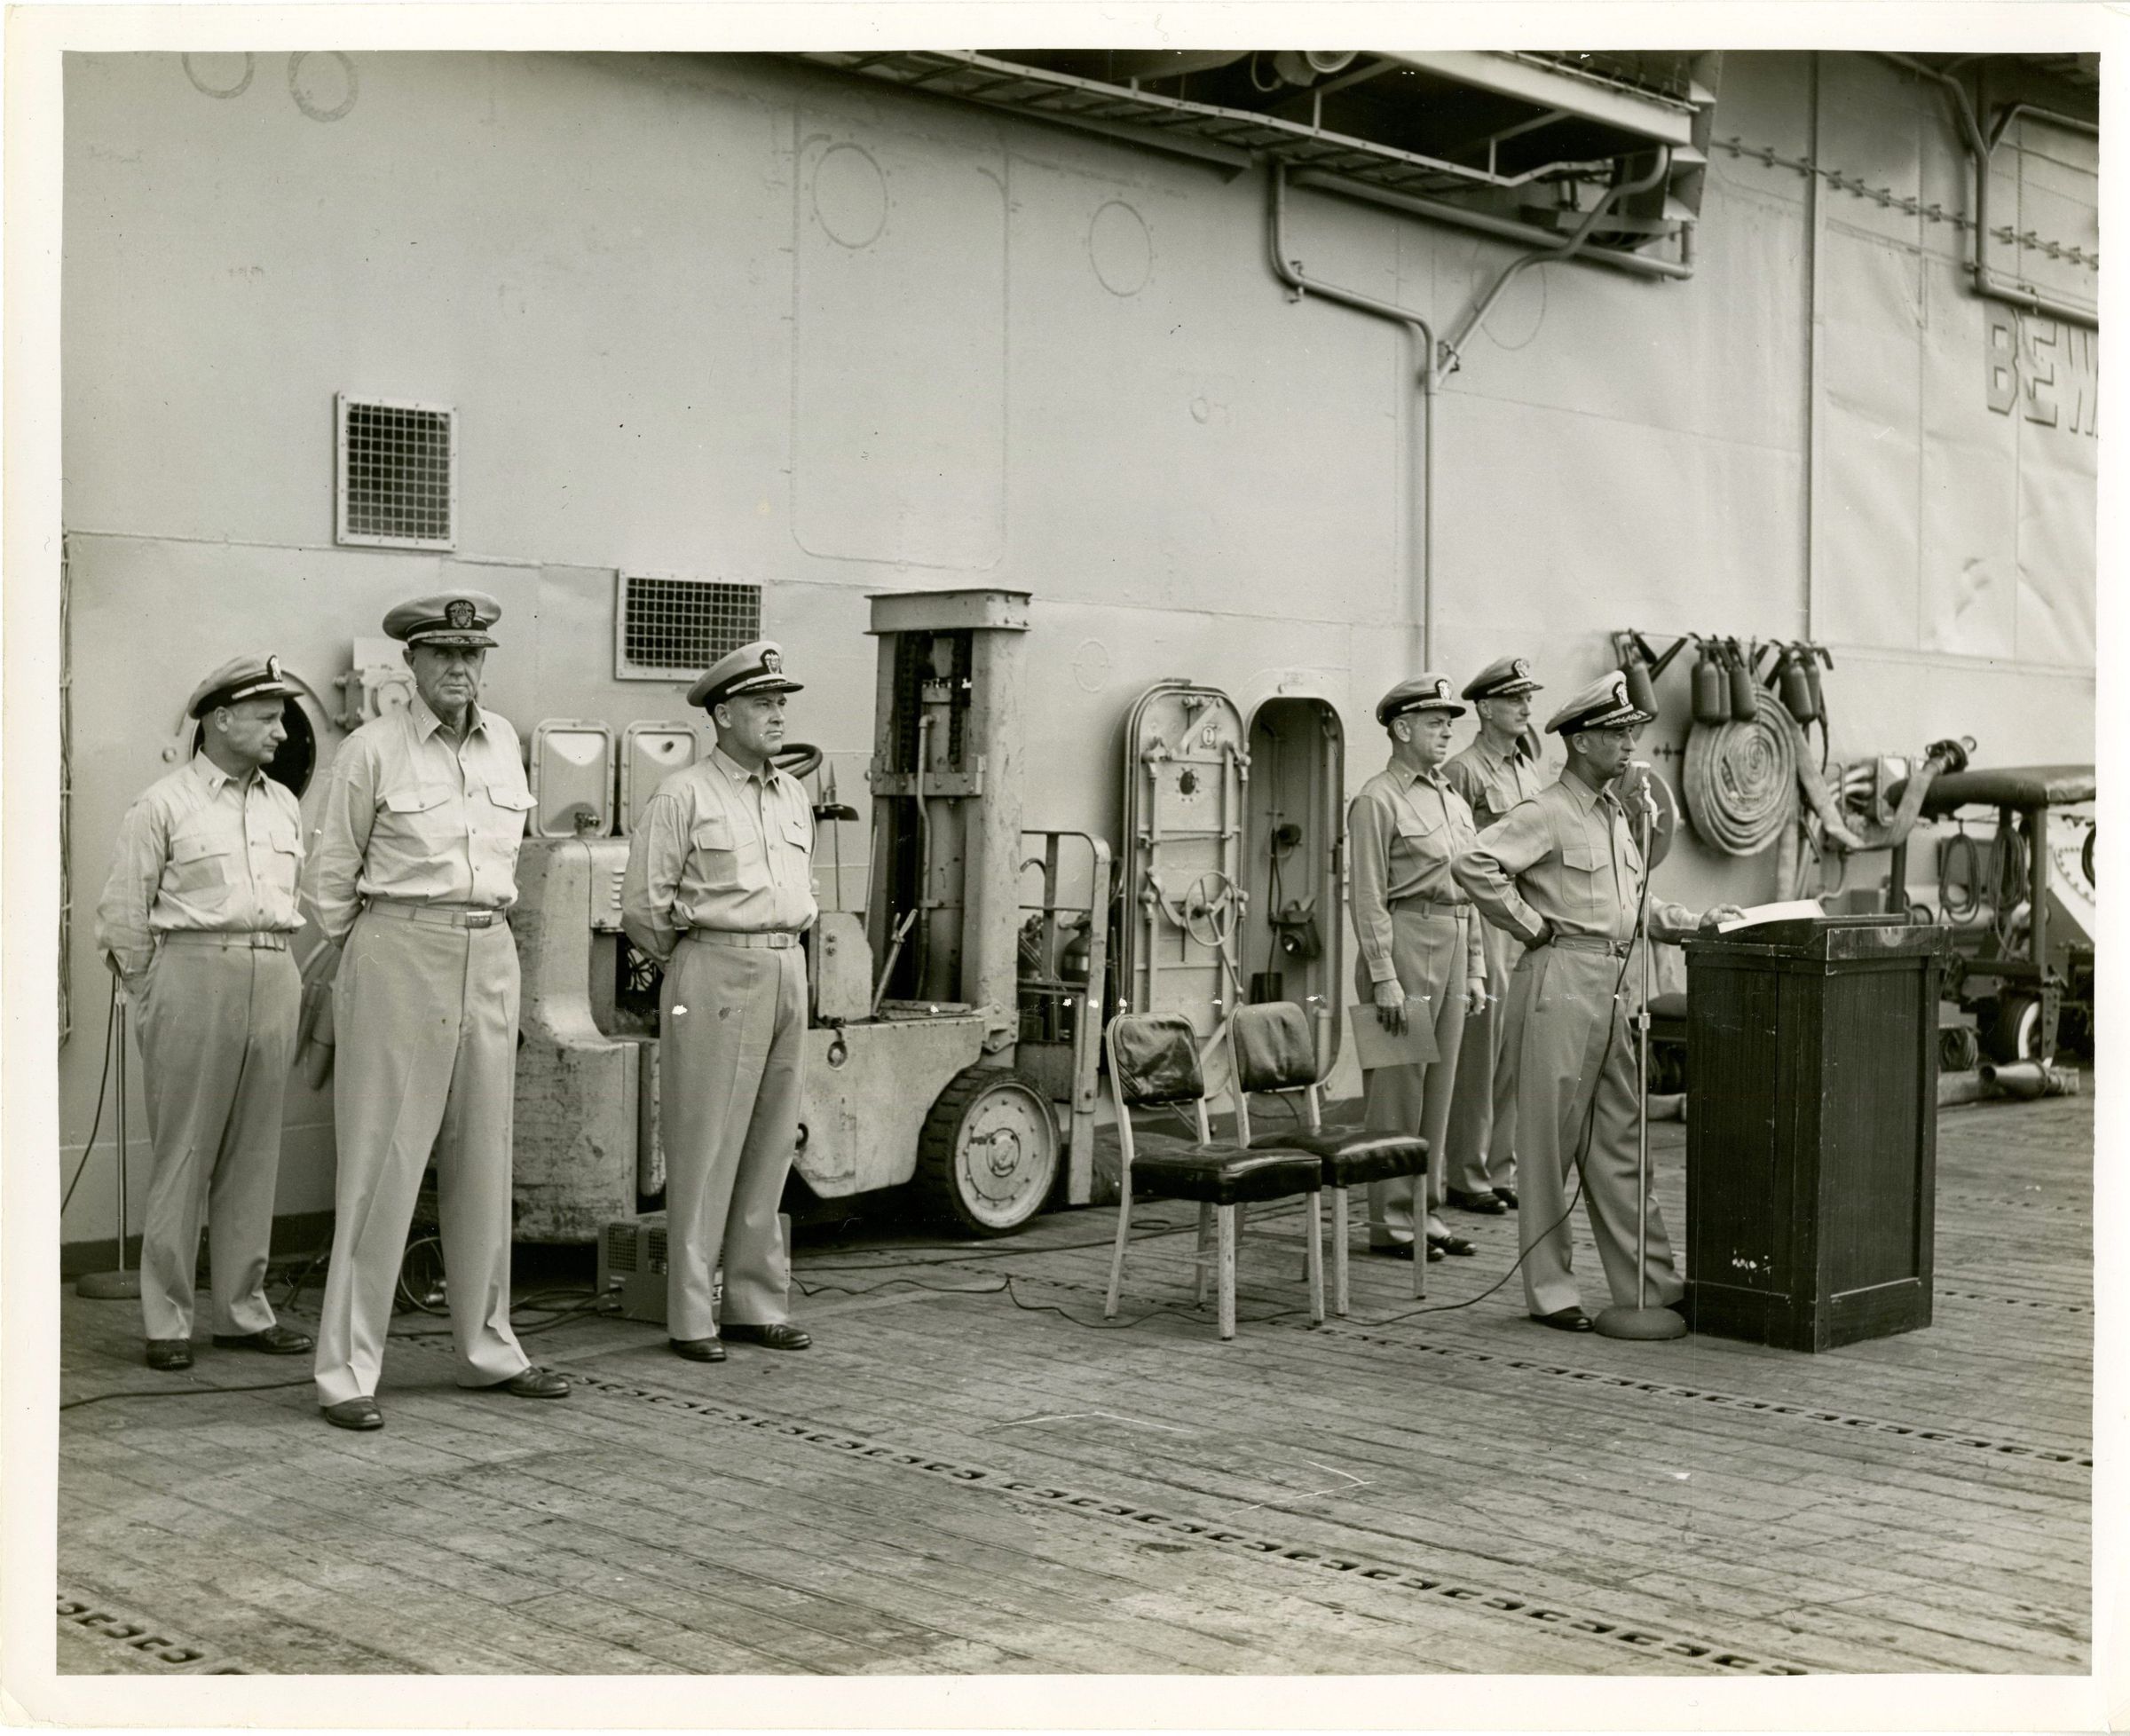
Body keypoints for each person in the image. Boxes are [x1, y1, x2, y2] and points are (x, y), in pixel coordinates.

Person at [302, 592, 568, 1430]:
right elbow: (328, 882)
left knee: (484, 1163)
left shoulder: (505, 750)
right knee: (380, 1165)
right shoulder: (371, 751)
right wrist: (374, 955)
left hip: (489, 950)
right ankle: (347, 1371)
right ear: (410, 665)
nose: (460, 668)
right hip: (399, 948)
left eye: (473, 655)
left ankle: (489, 1349)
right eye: (443, 654)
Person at [1454, 671, 1744, 1333]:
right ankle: (1551, 1292)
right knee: (1548, 1147)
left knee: (1621, 1144)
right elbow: (1474, 863)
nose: (1629, 745)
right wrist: (1530, 927)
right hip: (1560, 980)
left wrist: (1696, 920)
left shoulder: (1618, 816)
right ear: (1582, 742)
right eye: (1616, 735)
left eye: (1631, 733)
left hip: (1614, 987)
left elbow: (1631, 907)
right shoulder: (1547, 811)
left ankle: (1652, 1285)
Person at [93, 656, 316, 1373]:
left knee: (255, 1152)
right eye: (267, 716)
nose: (281, 731)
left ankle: (243, 1313)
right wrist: (154, 988)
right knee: (185, 1150)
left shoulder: (283, 804)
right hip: (193, 973)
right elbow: (124, 915)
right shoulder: (164, 804)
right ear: (221, 719)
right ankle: (168, 1320)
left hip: (272, 967)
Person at [622, 641, 816, 1363]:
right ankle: (692, 1317)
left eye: (781, 702)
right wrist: (698, 965)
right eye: (763, 703)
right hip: (713, 969)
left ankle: (754, 1303)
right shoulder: (685, 794)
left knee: (772, 1144)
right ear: (723, 712)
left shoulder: (791, 794)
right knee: (703, 1147)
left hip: (785, 970)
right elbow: (643, 907)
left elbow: (804, 893)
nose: (777, 714)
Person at [1347, 675, 1489, 1264]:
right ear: (1401, 729)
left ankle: (1426, 1214)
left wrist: (1477, 968)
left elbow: (1473, 885)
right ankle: (1391, 1222)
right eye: (1435, 722)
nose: (1447, 732)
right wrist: (1382, 972)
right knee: (1396, 1093)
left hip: (1453, 939)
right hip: (1402, 940)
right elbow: (1367, 894)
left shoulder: (1452, 799)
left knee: (1439, 1091)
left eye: (1449, 723)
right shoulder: (1377, 799)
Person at [1440, 655, 1549, 1218]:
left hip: (1525, 914)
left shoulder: (1526, 768)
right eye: (1514, 699)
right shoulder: (1464, 771)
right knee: (1481, 1051)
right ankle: (1467, 1172)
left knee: (1514, 1047)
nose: (1526, 707)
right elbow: (1457, 856)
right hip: (1486, 918)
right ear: (1485, 708)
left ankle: (1499, 1167)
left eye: (1528, 697)